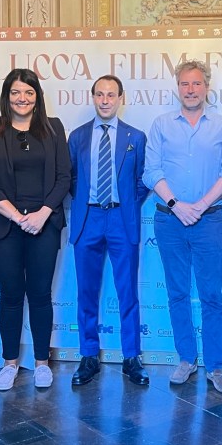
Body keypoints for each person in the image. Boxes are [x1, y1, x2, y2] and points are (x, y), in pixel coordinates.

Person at [143, 60, 222, 393]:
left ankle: (215, 366)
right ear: (177, 88)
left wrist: (199, 206)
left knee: (211, 295)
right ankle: (186, 359)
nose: (191, 89)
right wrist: (177, 205)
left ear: (206, 87)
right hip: (169, 220)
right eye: (185, 84)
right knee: (177, 293)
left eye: (196, 83)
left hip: (208, 219)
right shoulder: (161, 124)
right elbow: (151, 171)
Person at [0, 69, 71, 391]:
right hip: (4, 225)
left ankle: (42, 363)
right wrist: (19, 217)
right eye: (16, 92)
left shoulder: (53, 128)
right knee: (11, 295)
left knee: (41, 295)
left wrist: (43, 214)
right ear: (7, 95)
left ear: (37, 96)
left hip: (44, 223)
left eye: (29, 92)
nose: (22, 98)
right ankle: (10, 363)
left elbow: (64, 177)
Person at [67, 75, 151, 386]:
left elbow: (142, 181)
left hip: (120, 219)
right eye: (100, 94)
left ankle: (131, 356)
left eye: (111, 95)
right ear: (93, 97)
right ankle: (88, 355)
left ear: (120, 98)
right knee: (86, 291)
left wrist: (125, 203)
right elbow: (71, 178)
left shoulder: (135, 137)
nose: (105, 100)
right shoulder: (77, 136)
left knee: (127, 291)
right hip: (88, 218)